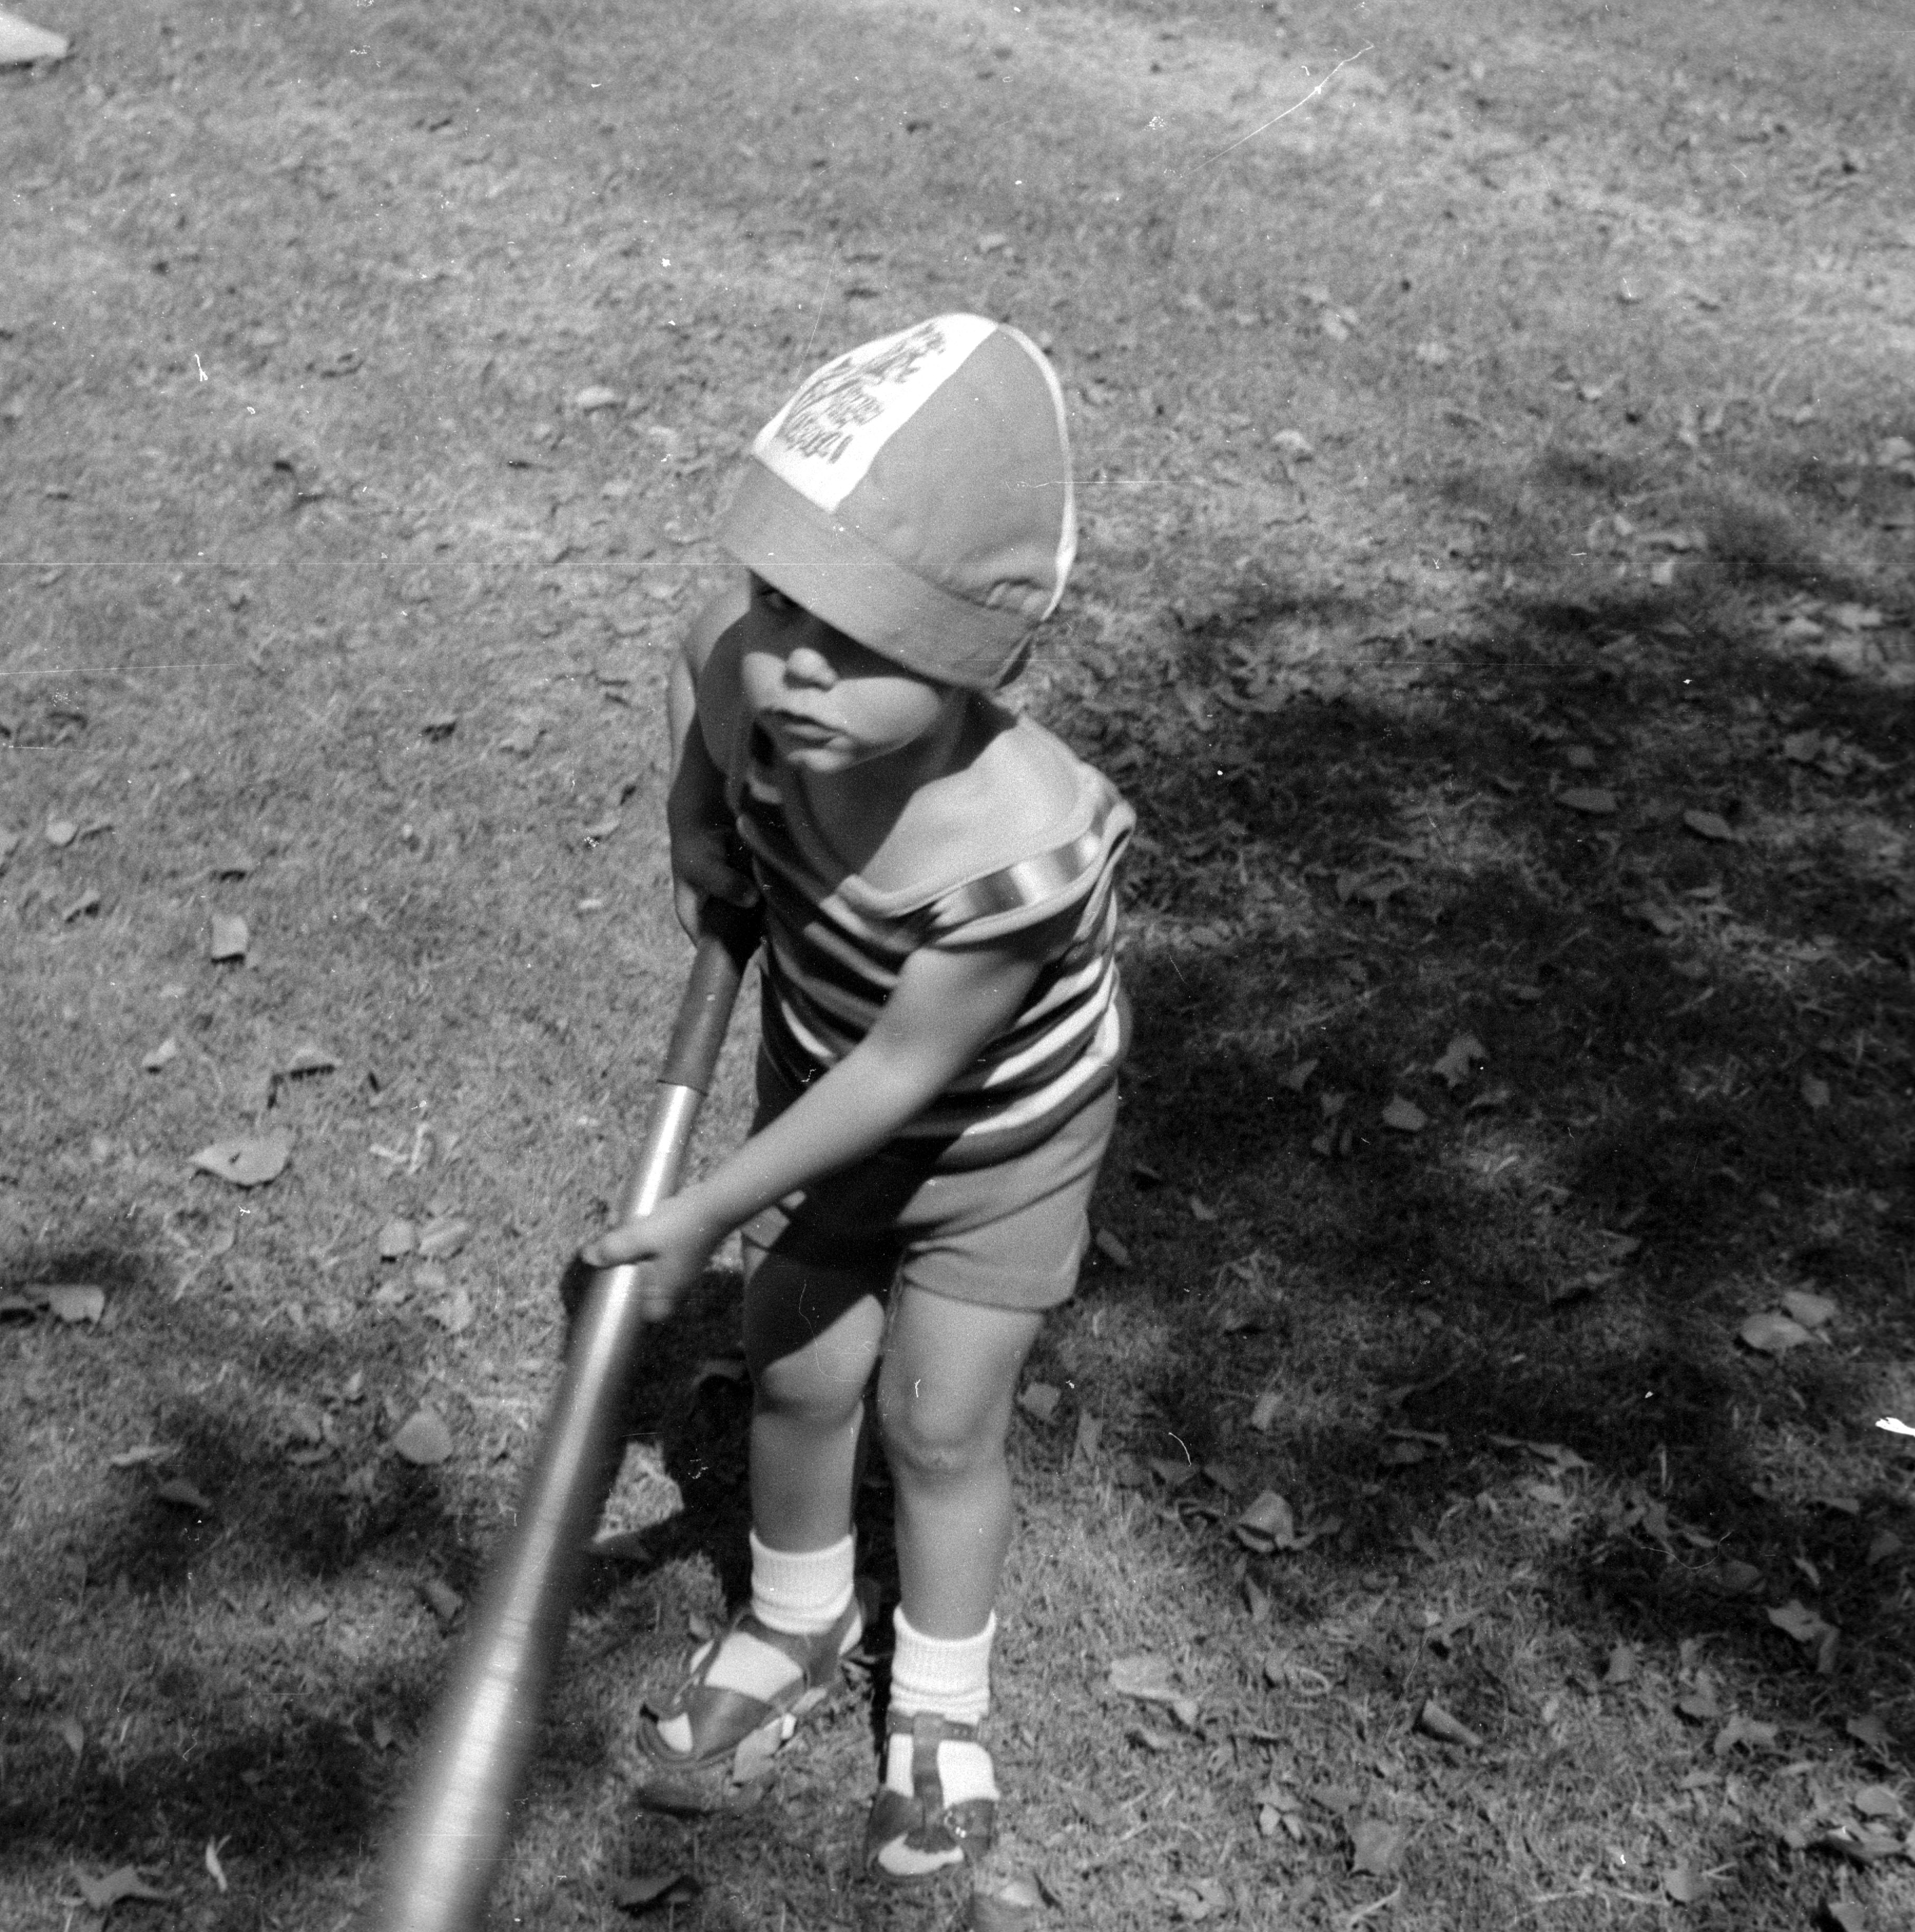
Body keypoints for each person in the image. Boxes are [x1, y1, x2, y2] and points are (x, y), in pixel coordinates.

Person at [580, 313, 1132, 1911]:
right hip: (821, 1081)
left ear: (979, 661)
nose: (800, 663)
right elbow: (702, 655)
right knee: (799, 1364)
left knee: (937, 1421)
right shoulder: (760, 680)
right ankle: (795, 1615)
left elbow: (907, 1074)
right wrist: (696, 820)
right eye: (786, 605)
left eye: (864, 637)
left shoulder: (1017, 848)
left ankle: (941, 1705)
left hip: (992, 1147)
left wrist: (703, 1208)